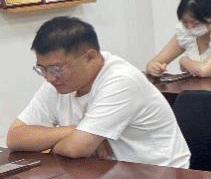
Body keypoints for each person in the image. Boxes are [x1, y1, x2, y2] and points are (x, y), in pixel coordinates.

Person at [7, 17, 190, 167]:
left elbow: (76, 149)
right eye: (42, 69)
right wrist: (74, 131)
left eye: (55, 69)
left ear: (90, 57)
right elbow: (15, 137)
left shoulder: (121, 80)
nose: (49, 77)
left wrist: (62, 143)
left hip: (160, 178)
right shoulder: (57, 83)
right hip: (105, 175)